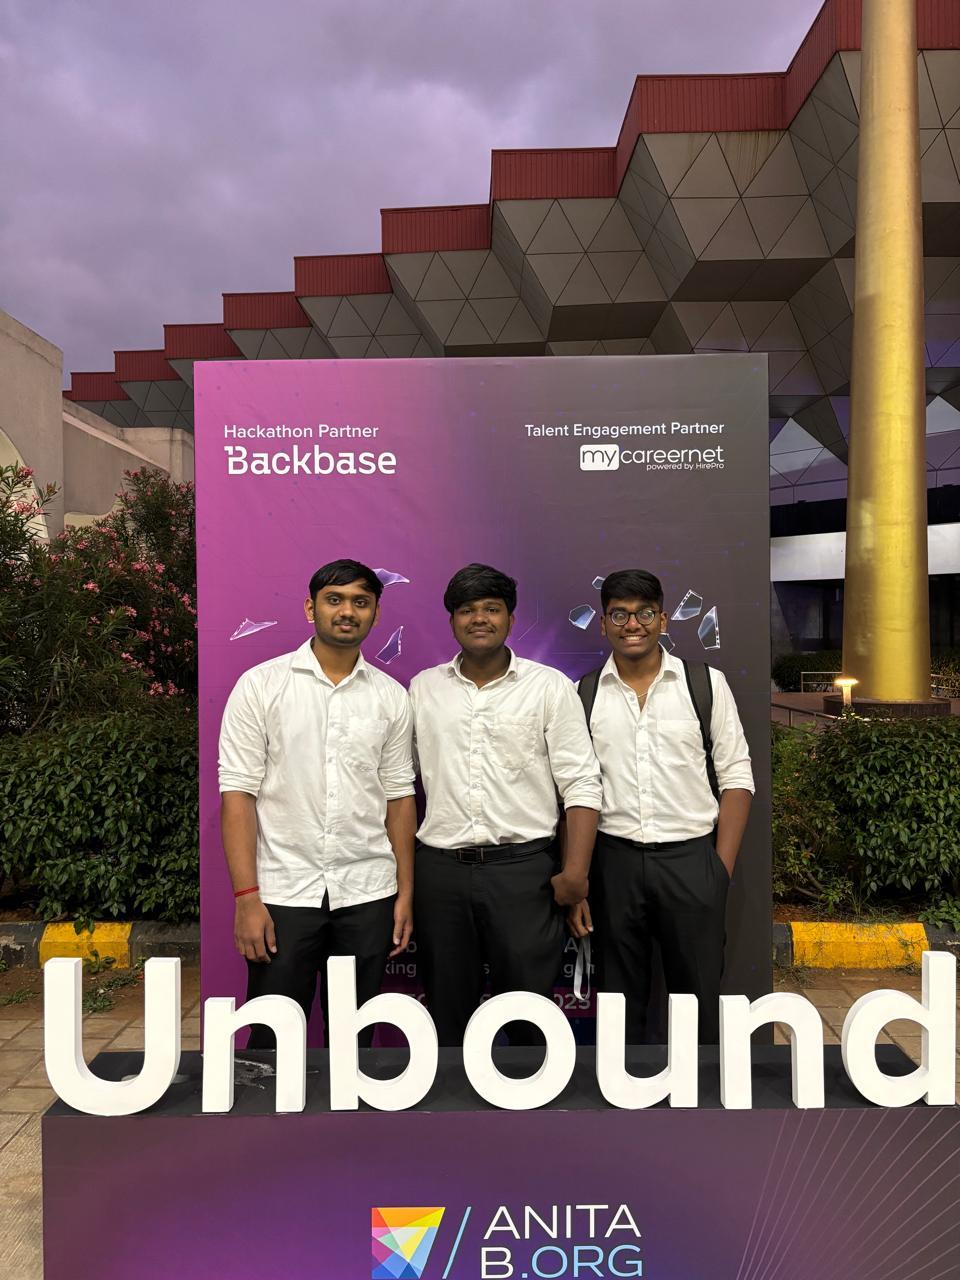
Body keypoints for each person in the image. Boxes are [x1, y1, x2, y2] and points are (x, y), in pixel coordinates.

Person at [218, 558, 416, 1048]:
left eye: (360, 602)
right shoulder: (261, 686)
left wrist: (405, 893)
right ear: (311, 608)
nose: (347, 611)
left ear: (375, 613)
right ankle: (270, 1104)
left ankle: (347, 1105)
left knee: (354, 1042)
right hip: (284, 892)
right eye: (334, 600)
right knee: (272, 1042)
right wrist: (247, 899)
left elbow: (399, 798)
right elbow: (238, 795)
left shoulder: (391, 697)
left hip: (367, 892)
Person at [410, 563, 602, 1046]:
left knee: (527, 1014)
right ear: (452, 621)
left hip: (524, 874)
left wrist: (575, 874)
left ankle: (527, 1092)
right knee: (446, 1012)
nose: (480, 618)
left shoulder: (548, 686)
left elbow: (581, 783)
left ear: (511, 619)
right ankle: (449, 1094)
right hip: (440, 874)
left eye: (492, 609)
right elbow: (397, 782)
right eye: (467, 610)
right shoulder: (422, 689)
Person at [571, 568, 754, 1044]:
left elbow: (737, 777)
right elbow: (574, 791)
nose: (633, 624)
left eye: (645, 613)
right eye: (619, 614)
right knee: (618, 1004)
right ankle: (623, 1087)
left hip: (692, 861)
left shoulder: (704, 683)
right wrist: (580, 875)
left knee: (699, 1000)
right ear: (603, 624)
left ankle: (702, 1089)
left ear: (664, 620)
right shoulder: (583, 694)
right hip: (613, 863)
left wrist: (719, 872)